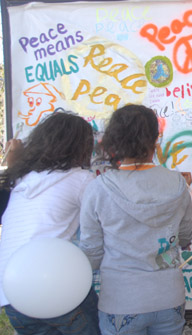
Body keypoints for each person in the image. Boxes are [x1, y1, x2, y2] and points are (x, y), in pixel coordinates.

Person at [79, 104, 192, 335]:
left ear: (114, 141)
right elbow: (185, 236)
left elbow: (91, 252)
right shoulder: (178, 183)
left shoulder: (98, 188)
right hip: (169, 298)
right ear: (155, 139)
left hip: (121, 301)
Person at [0, 112, 100, 335]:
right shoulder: (81, 179)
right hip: (55, 285)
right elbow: (106, 219)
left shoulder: (22, 179)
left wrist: (13, 159)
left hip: (12, 295)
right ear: (81, 147)